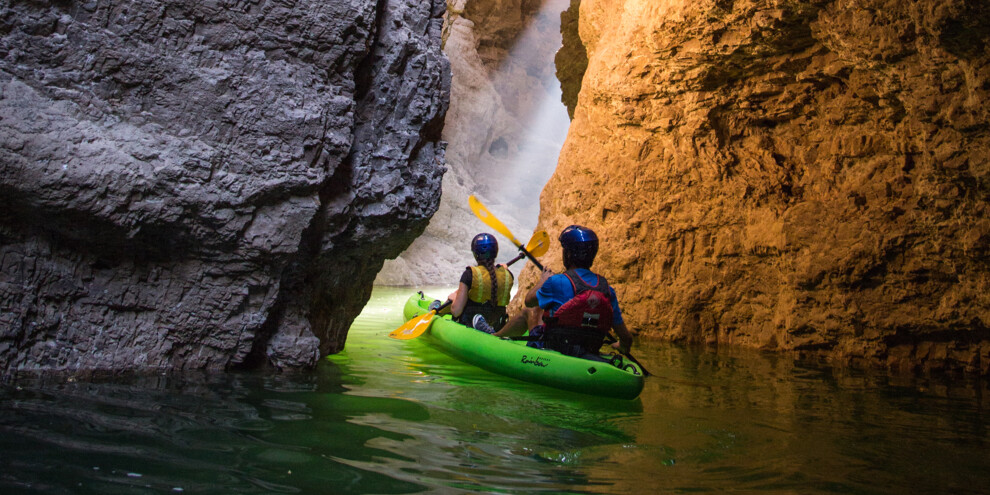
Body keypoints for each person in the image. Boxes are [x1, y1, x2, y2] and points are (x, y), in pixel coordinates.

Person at [478, 225, 633, 359]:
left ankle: (495, 336)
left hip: (556, 348)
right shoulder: (607, 290)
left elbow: (529, 301)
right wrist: (621, 346)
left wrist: (543, 280)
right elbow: (626, 338)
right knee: (542, 310)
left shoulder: (556, 282)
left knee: (531, 311)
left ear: (568, 254)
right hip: (590, 349)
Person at [433, 233, 514, 333]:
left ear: (475, 254)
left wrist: (453, 298)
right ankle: (489, 328)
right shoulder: (508, 275)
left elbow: (456, 311)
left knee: (454, 298)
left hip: (469, 323)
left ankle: (438, 310)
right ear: (495, 253)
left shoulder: (469, 274)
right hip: (498, 324)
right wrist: (503, 269)